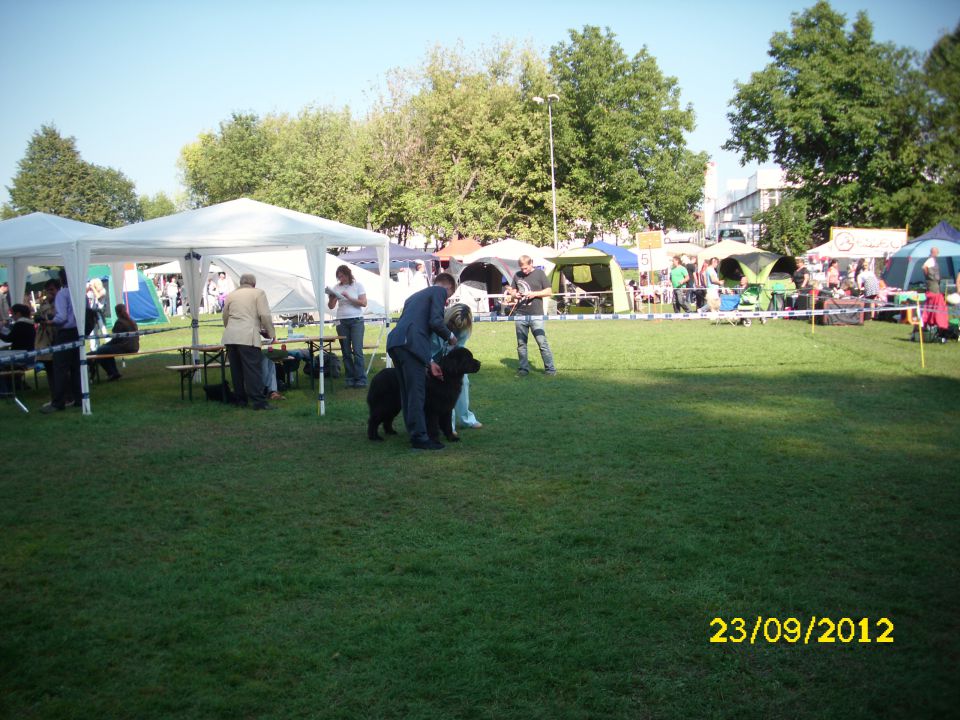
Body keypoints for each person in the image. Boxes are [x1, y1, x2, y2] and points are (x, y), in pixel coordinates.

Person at [386, 272, 458, 450]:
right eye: (448, 297)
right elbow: (435, 322)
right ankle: (419, 437)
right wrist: (450, 336)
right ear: (447, 287)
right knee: (417, 393)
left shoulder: (413, 297)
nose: (446, 301)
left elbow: (414, 325)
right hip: (410, 344)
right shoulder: (438, 291)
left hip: (396, 343)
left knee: (407, 391)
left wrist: (430, 362)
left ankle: (415, 432)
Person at [221, 273, 276, 411]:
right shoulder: (258, 293)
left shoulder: (231, 295)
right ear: (254, 284)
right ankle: (258, 402)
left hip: (231, 336)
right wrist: (271, 333)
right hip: (247, 336)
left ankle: (241, 400)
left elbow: (225, 316)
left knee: (236, 370)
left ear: (241, 283)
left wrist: (230, 328)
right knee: (253, 370)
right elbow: (264, 314)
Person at [431, 303, 481, 435]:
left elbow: (459, 350)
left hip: (452, 361)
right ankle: (449, 426)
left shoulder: (463, 330)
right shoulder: (437, 322)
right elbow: (431, 347)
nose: (455, 327)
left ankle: (467, 418)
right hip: (434, 359)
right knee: (445, 394)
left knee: (463, 383)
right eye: (453, 323)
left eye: (460, 326)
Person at [505, 254, 556, 377]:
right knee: (521, 344)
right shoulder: (517, 275)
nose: (524, 271)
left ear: (531, 263)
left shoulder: (540, 274)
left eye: (526, 268)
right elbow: (512, 292)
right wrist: (514, 295)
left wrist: (534, 294)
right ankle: (523, 369)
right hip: (520, 314)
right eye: (522, 268)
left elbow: (549, 291)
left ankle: (550, 370)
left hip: (536, 315)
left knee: (542, 343)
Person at [41, 269, 82, 414]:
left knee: (60, 369)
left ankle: (58, 402)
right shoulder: (79, 292)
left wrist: (49, 321)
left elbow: (62, 317)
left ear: (61, 279)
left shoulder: (63, 294)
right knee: (77, 368)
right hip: (78, 332)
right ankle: (79, 399)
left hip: (65, 333)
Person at [326, 264, 368, 389]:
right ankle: (349, 378)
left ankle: (360, 379)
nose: (340, 279)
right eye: (338, 277)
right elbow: (331, 306)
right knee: (345, 351)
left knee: (357, 350)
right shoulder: (336, 287)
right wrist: (332, 297)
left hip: (356, 320)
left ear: (348, 274)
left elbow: (363, 303)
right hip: (341, 321)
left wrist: (349, 297)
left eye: (342, 276)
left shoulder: (357, 285)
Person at [88, 303, 139, 381]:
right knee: (105, 350)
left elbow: (115, 340)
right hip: (134, 347)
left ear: (116, 313)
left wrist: (105, 345)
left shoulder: (119, 322)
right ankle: (113, 373)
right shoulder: (132, 321)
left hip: (125, 347)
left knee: (101, 350)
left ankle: (112, 373)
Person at [0, 303, 36, 394]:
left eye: (13, 314)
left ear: (18, 314)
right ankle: (16, 384)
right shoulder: (30, 324)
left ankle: (4, 390)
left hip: (22, 355)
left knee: (2, 363)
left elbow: (9, 338)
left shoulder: (20, 324)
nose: (12, 316)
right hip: (30, 353)